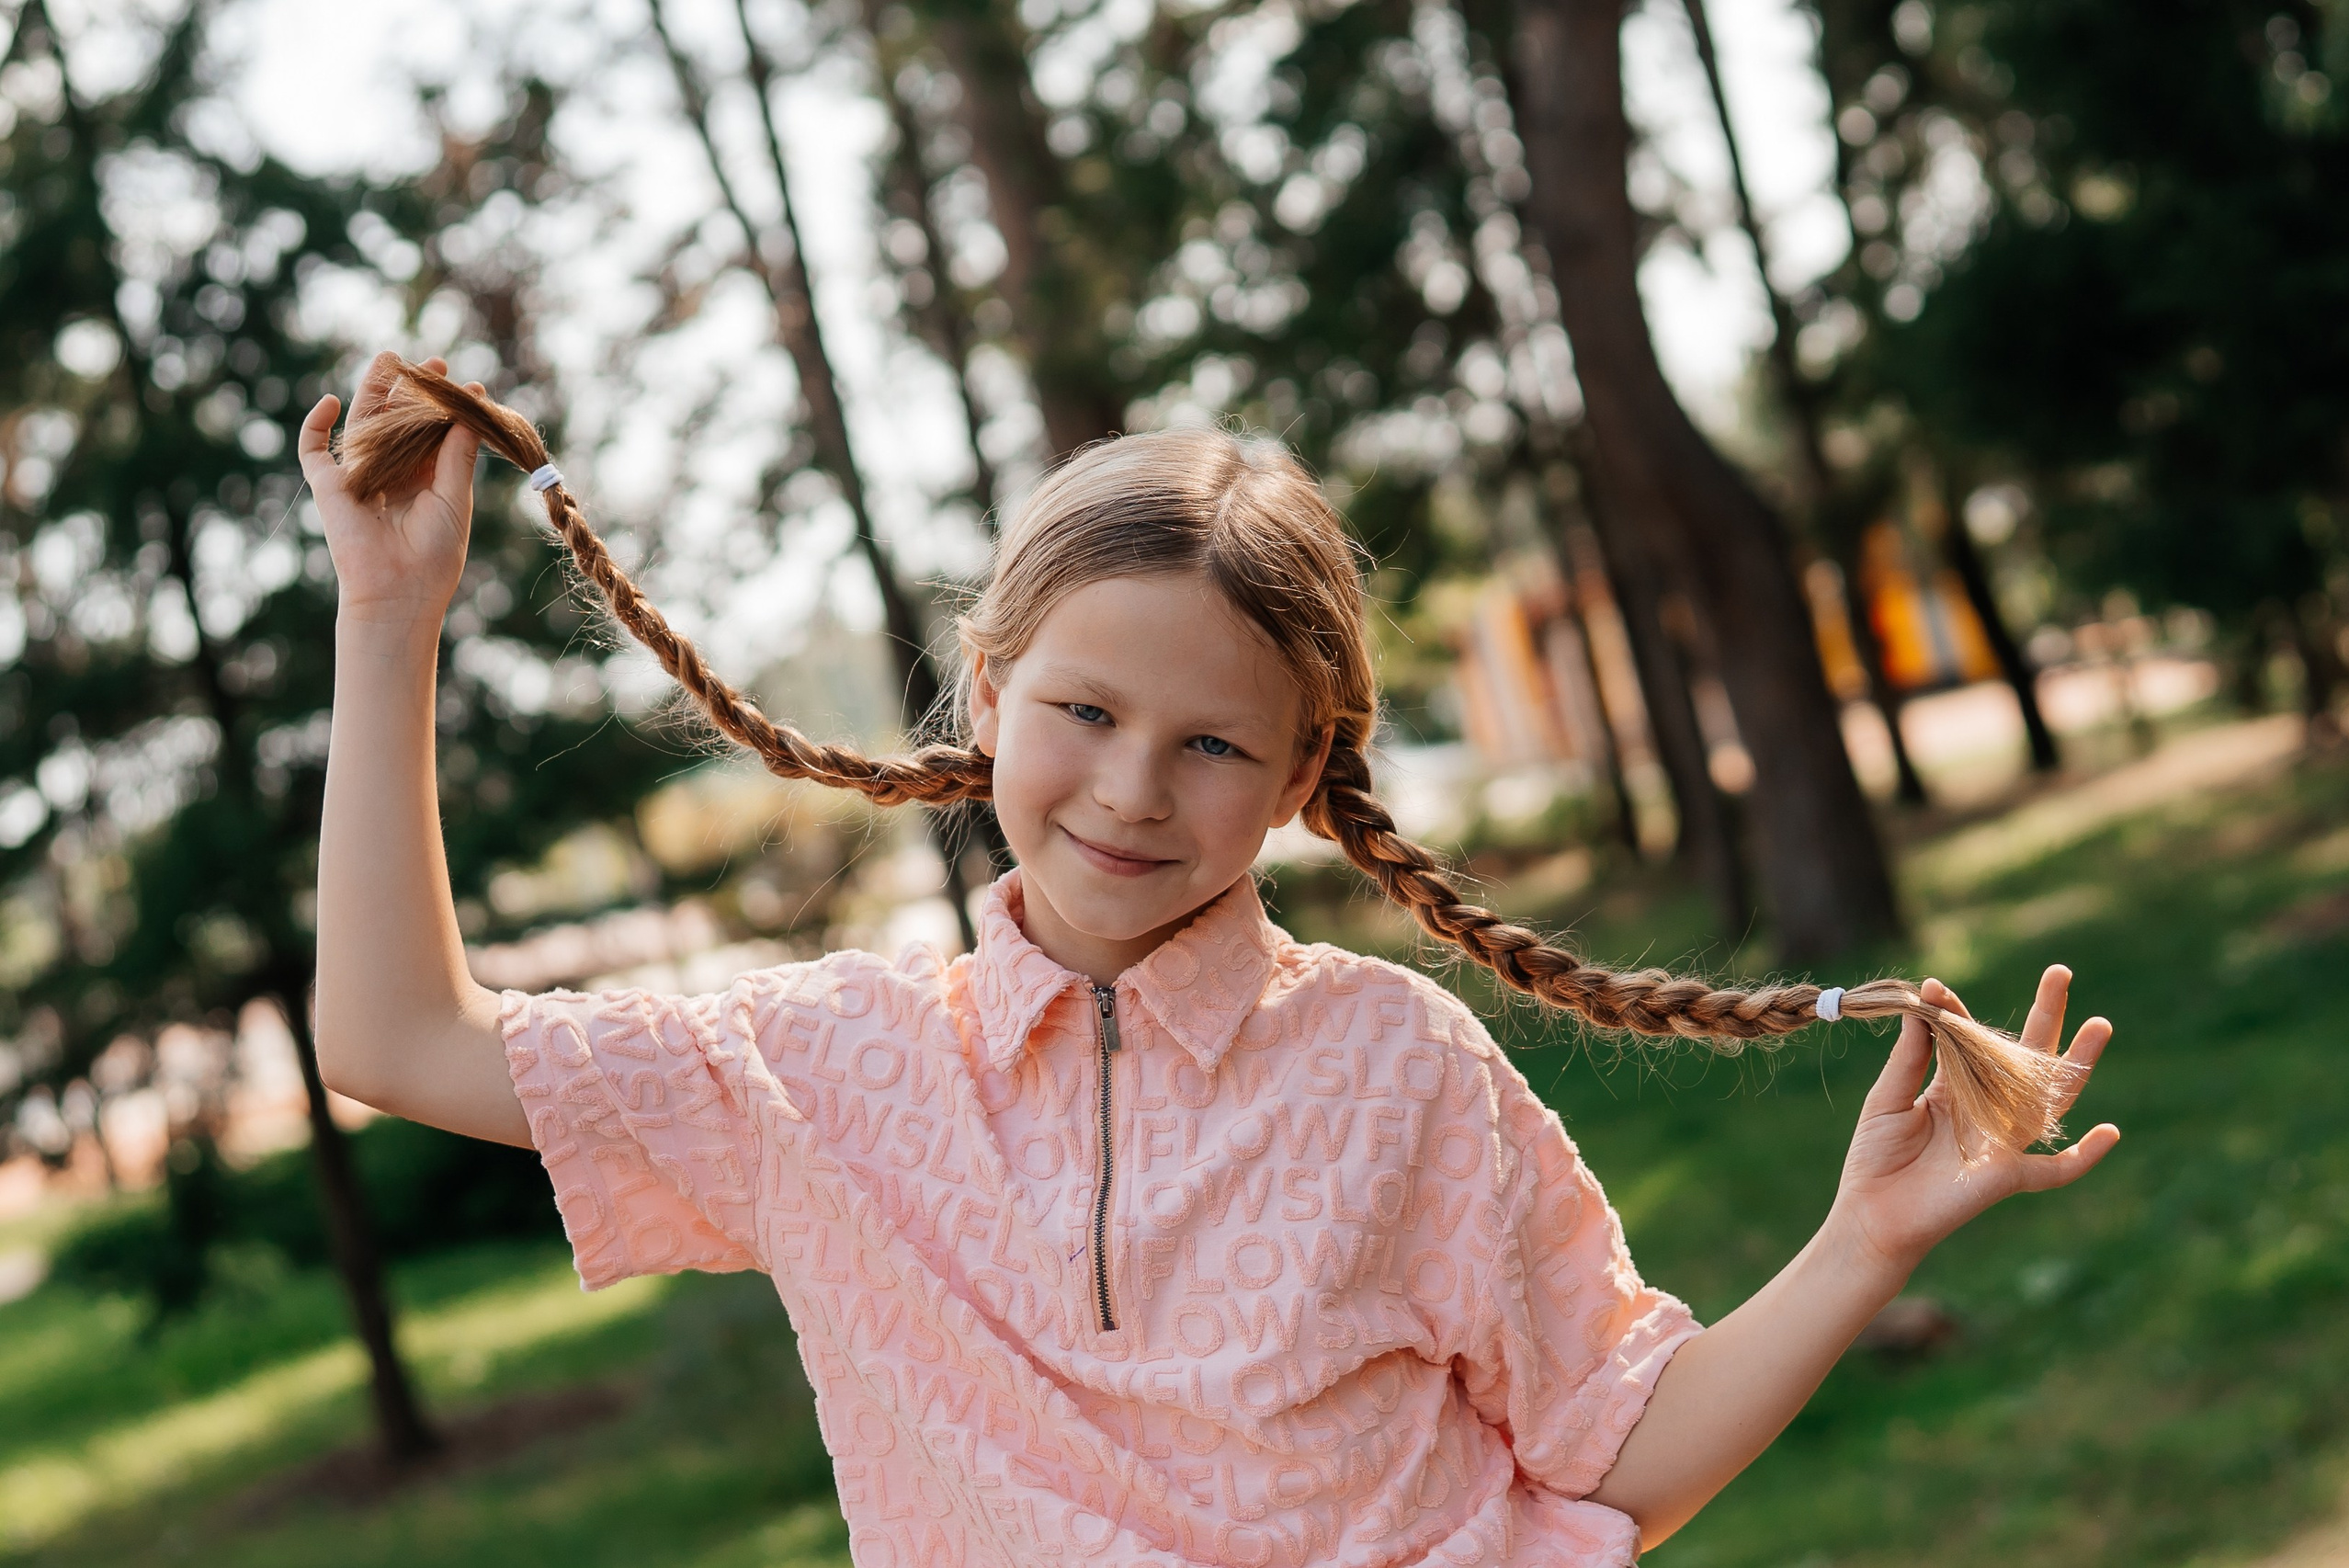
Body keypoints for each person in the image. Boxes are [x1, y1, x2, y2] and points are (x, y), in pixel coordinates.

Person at [301, 353, 2118, 1567]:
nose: (1128, 791)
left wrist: (1861, 1238)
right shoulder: (816, 1070)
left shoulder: (1394, 1070)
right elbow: (391, 1034)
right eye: (1082, 710)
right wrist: (389, 617)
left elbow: (1615, 1455)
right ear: (991, 691)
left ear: (1304, 775)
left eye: (1212, 745)